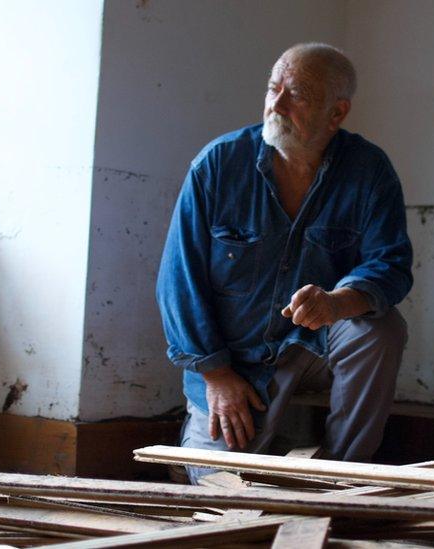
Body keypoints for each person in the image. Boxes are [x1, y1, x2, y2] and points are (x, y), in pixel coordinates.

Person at [156, 43, 413, 484]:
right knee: (221, 489)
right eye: (273, 88)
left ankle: (339, 475)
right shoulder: (218, 165)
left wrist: (338, 302)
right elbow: (178, 282)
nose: (276, 104)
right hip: (233, 362)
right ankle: (201, 450)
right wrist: (216, 376)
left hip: (314, 345)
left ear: (337, 113)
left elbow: (391, 264)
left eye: (296, 95)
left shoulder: (369, 170)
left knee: (380, 328)